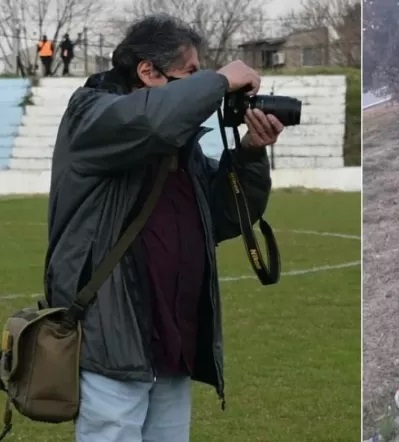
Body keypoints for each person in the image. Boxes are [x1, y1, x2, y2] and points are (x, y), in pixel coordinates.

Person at [44, 14, 283, 442]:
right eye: (191, 73)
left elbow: (226, 216)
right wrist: (218, 81)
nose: (204, 84)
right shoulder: (92, 114)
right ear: (147, 72)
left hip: (173, 338)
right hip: (112, 341)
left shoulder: (180, 146)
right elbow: (148, 121)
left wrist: (248, 152)